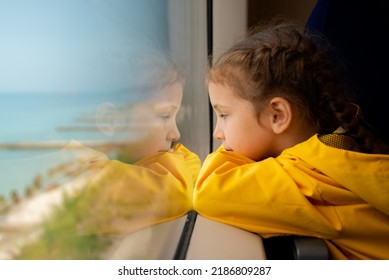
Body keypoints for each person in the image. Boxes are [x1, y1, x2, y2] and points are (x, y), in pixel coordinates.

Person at [193, 19, 389, 260]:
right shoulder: (339, 154)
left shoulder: (310, 179)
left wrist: (229, 151)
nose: (217, 133)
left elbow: (210, 191)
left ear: (278, 115)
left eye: (224, 115)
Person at [2, 50, 201, 260]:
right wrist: (179, 160)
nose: (175, 134)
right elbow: (175, 189)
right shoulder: (84, 178)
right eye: (164, 116)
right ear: (109, 121)